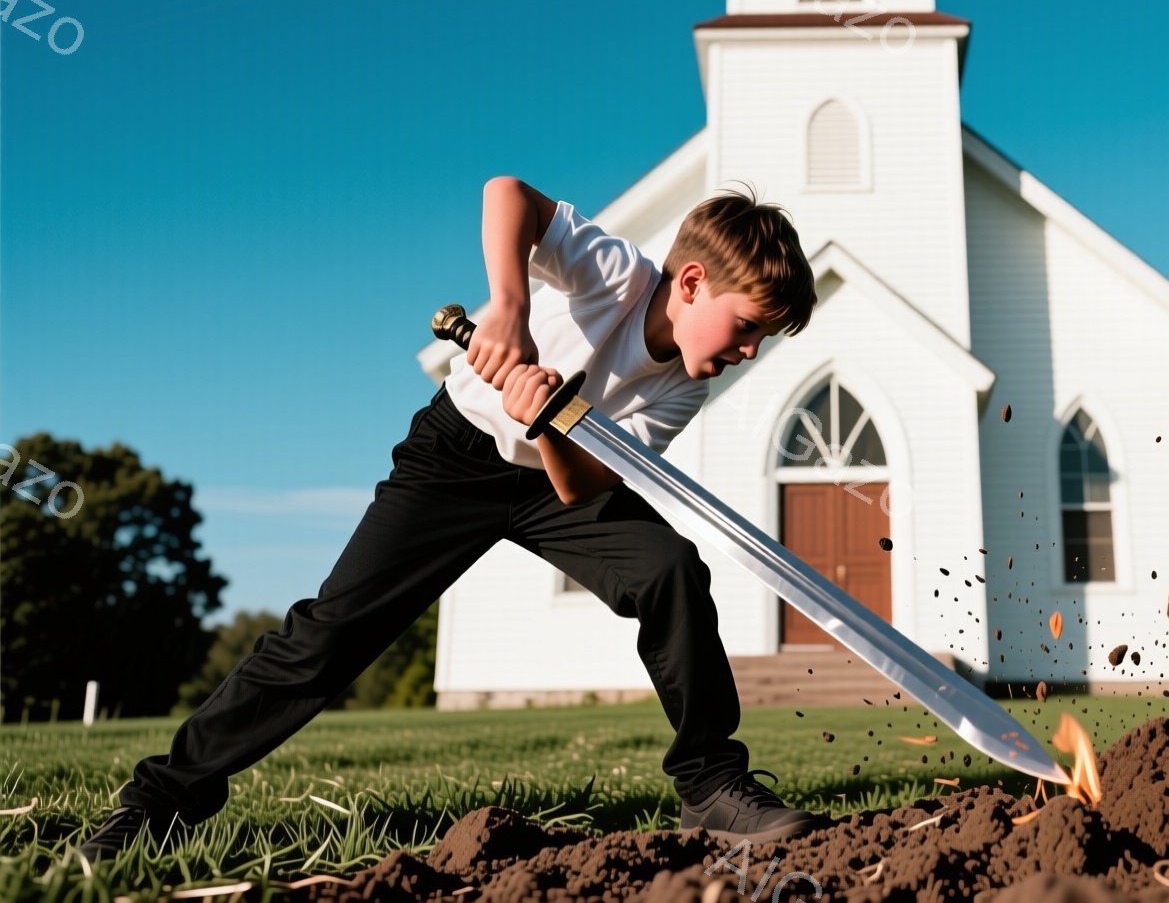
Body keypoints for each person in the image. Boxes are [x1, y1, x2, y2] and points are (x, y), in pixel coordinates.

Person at [77, 177, 826, 860]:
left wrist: (546, 424)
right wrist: (510, 306)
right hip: (455, 459)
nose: (749, 349)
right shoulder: (615, 273)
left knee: (670, 569)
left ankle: (711, 786)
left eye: (761, 338)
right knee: (330, 635)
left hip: (555, 481)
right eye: (747, 325)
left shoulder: (684, 387)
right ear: (691, 283)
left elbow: (583, 488)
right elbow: (509, 194)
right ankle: (158, 802)